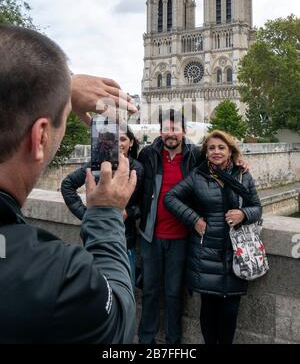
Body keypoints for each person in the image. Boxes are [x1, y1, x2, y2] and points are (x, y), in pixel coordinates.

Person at [0, 24, 137, 343]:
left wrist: (58, 89)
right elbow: (118, 323)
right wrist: (105, 213)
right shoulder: (55, 276)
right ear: (41, 137)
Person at [164, 130, 262, 344]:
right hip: (206, 253)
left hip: (236, 253)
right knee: (208, 314)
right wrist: (194, 219)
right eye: (211, 148)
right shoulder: (198, 176)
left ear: (230, 151)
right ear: (206, 153)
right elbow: (170, 198)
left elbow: (257, 208)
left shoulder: (243, 175)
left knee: (229, 314)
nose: (216, 152)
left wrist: (244, 214)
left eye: (221, 147)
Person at [137, 109, 203, 344]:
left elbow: (221, 163)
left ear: (184, 131)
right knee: (150, 291)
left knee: (175, 294)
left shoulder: (196, 156)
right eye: (166, 129)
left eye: (175, 129)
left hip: (181, 236)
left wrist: (239, 161)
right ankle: (146, 341)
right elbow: (120, 155)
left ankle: (173, 343)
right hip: (151, 235)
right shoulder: (148, 154)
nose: (170, 134)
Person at [61, 125, 144, 289]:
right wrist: (88, 215)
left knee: (124, 293)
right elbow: (67, 185)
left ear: (131, 142)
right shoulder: (96, 162)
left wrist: (129, 212)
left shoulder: (137, 169)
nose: (118, 143)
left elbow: (145, 203)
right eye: (114, 139)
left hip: (124, 241)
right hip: (94, 239)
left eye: (123, 139)